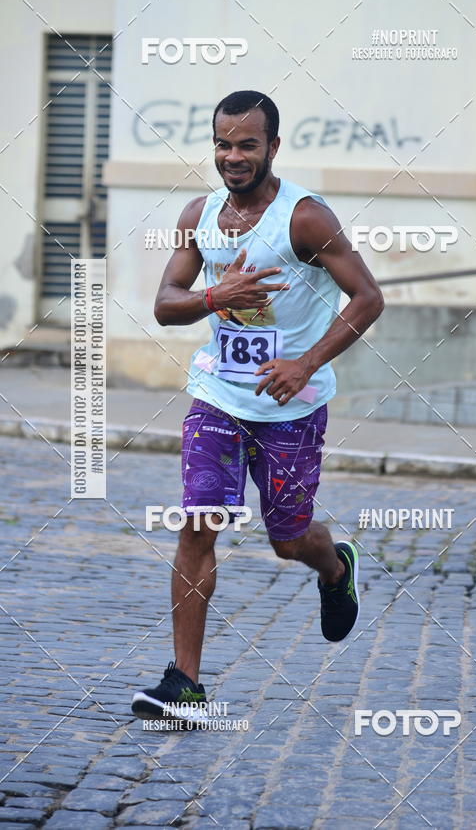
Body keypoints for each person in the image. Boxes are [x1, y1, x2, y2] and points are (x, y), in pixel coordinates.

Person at [131, 90, 384, 720]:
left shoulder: (305, 219)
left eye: (248, 144)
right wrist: (218, 296)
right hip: (217, 396)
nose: (233, 156)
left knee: (288, 538)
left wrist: (304, 364)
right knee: (199, 525)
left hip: (292, 408)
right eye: (223, 143)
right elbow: (165, 303)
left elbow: (368, 298)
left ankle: (335, 567)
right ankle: (184, 684)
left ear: (273, 146)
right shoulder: (201, 213)